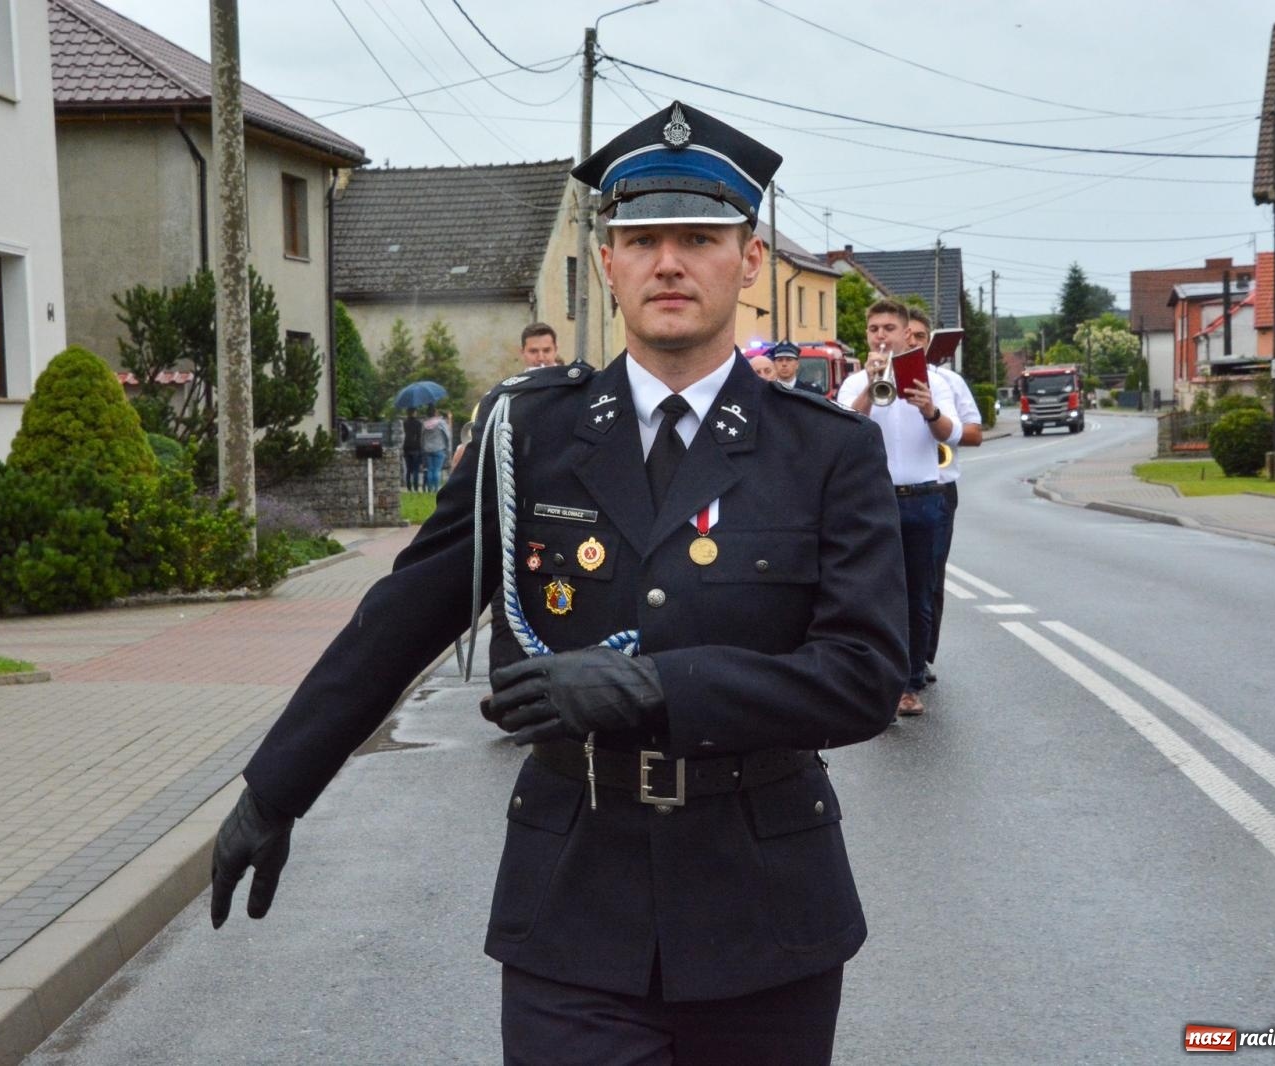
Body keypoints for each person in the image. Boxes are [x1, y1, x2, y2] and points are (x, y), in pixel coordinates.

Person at [210, 100, 907, 1066]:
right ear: (609, 261)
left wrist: (661, 688)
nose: (670, 262)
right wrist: (274, 788)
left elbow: (866, 673)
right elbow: (402, 617)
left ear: (747, 262)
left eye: (699, 239)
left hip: (764, 911)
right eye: (643, 239)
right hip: (577, 900)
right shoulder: (528, 434)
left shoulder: (828, 452)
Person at [836, 299, 960, 717]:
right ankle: (879, 684)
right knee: (872, 597)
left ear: (907, 334)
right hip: (872, 502)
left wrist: (929, 408)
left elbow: (954, 434)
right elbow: (843, 431)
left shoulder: (934, 382)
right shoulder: (854, 383)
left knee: (918, 597)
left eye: (889, 328)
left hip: (922, 498)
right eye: (874, 329)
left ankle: (909, 684)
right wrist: (872, 390)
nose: (881, 336)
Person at [905, 310, 983, 681]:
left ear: (929, 341)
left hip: (939, 485)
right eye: (910, 336)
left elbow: (974, 434)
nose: (914, 343)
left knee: (930, 577)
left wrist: (939, 424)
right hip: (898, 490)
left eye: (921, 337)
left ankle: (923, 655)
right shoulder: (881, 379)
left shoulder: (948, 381)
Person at [420, 407, 451, 491]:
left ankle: (430, 488)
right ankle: (436, 489)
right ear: (435, 413)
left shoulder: (425, 424)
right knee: (437, 470)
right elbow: (447, 435)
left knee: (430, 469)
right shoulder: (440, 423)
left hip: (428, 449)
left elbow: (422, 437)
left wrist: (423, 447)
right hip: (439, 448)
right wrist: (448, 448)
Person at [401, 410, 424, 491]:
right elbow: (419, 436)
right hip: (416, 448)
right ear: (414, 413)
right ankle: (416, 487)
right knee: (415, 469)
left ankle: (408, 486)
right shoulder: (419, 423)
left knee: (408, 469)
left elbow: (406, 434)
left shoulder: (405, 423)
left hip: (407, 447)